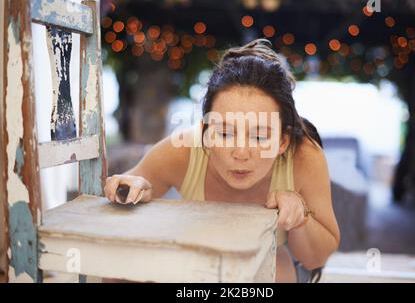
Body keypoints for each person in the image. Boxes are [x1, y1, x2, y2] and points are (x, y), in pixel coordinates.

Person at [103, 38, 340, 282]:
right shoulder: (182, 150)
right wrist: (129, 188)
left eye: (259, 136)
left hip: (270, 270)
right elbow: (127, 190)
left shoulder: (303, 158)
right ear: (205, 132)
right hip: (197, 266)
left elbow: (315, 259)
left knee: (277, 265)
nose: (240, 153)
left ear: (282, 141)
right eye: (225, 133)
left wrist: (299, 216)